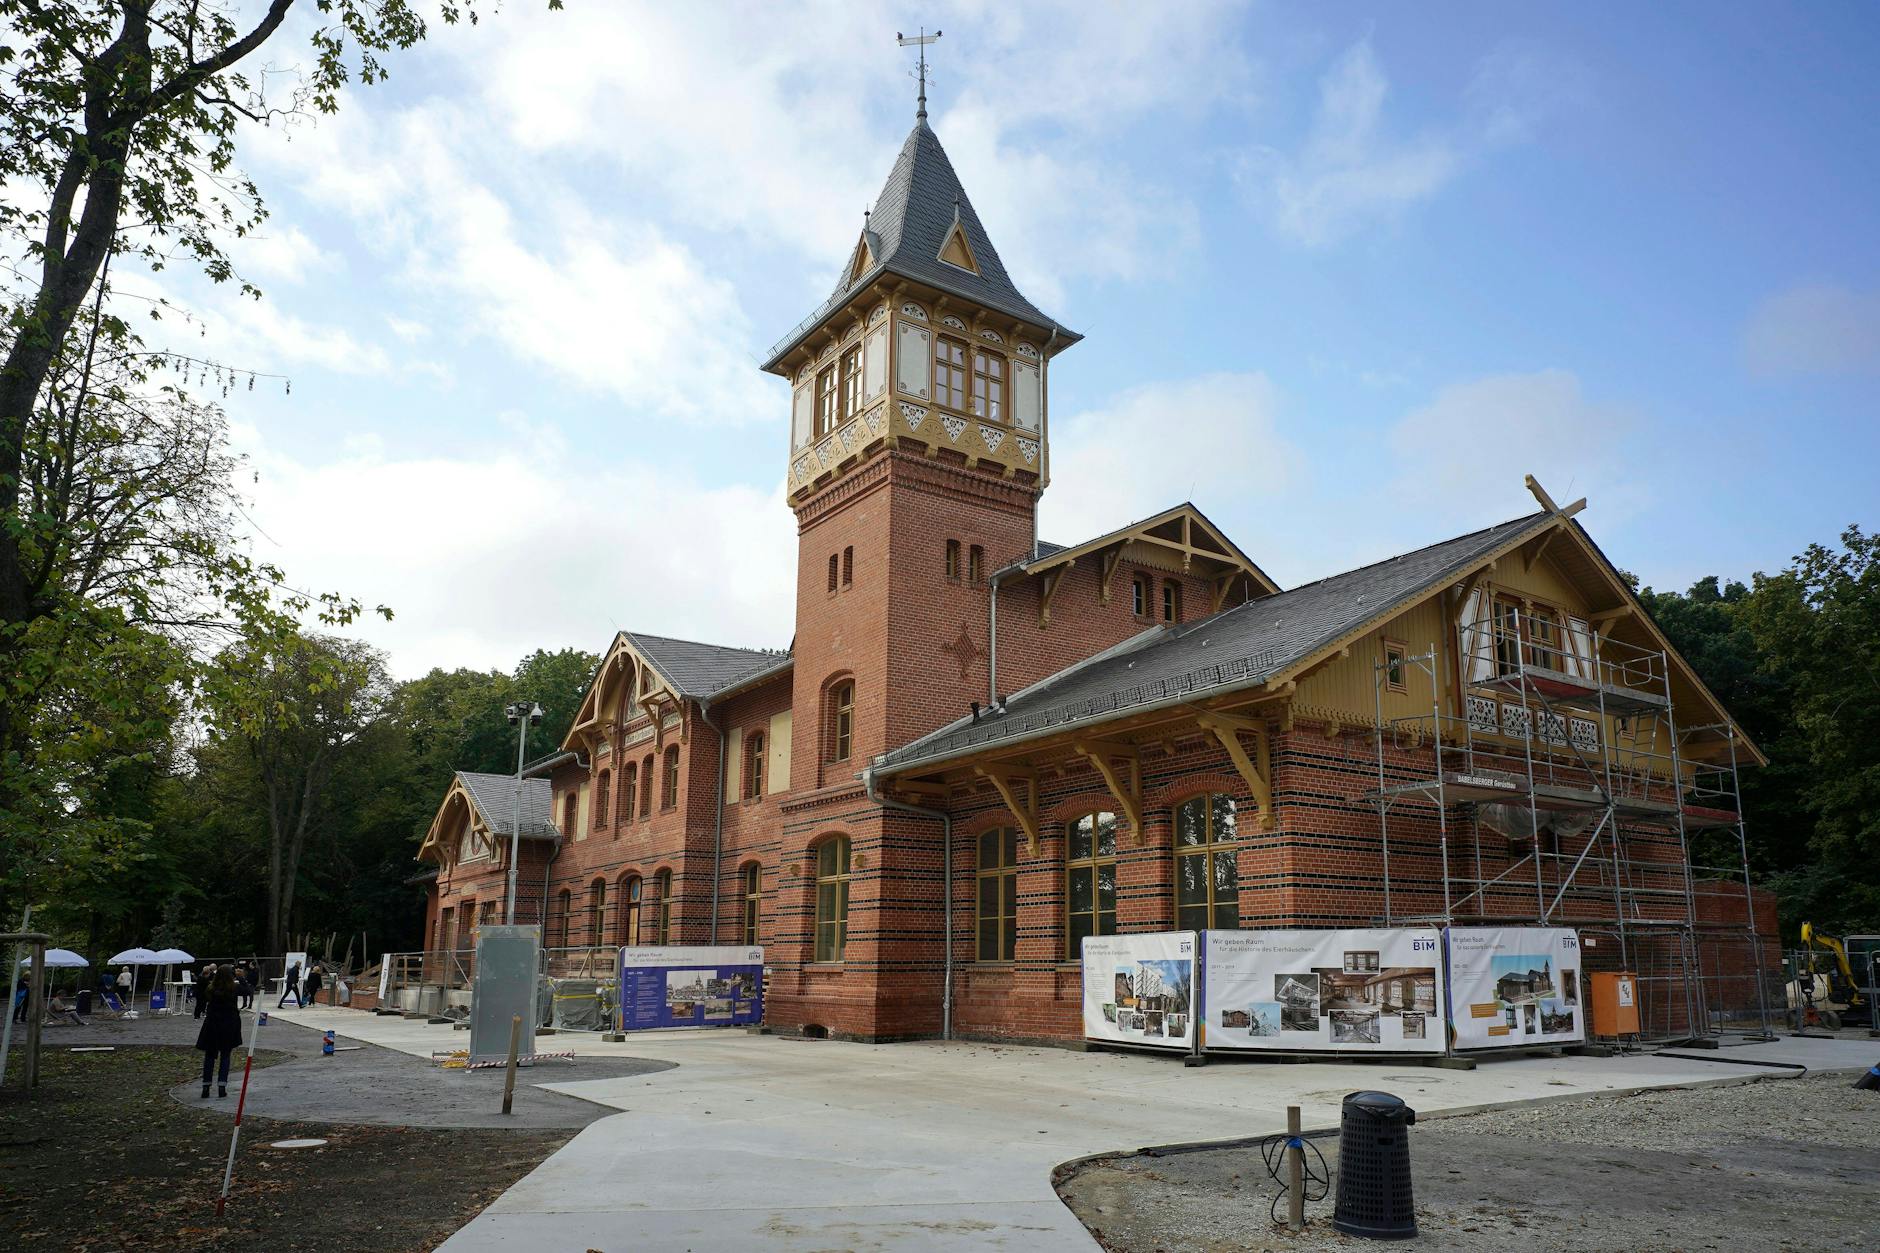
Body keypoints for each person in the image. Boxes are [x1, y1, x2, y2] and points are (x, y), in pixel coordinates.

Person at [194, 966, 243, 1099]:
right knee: (225, 1055)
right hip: (229, 1023)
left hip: (213, 1023)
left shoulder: (211, 988)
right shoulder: (233, 988)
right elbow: (247, 990)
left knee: (210, 1055)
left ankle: (206, 1086)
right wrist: (241, 977)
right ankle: (222, 1086)